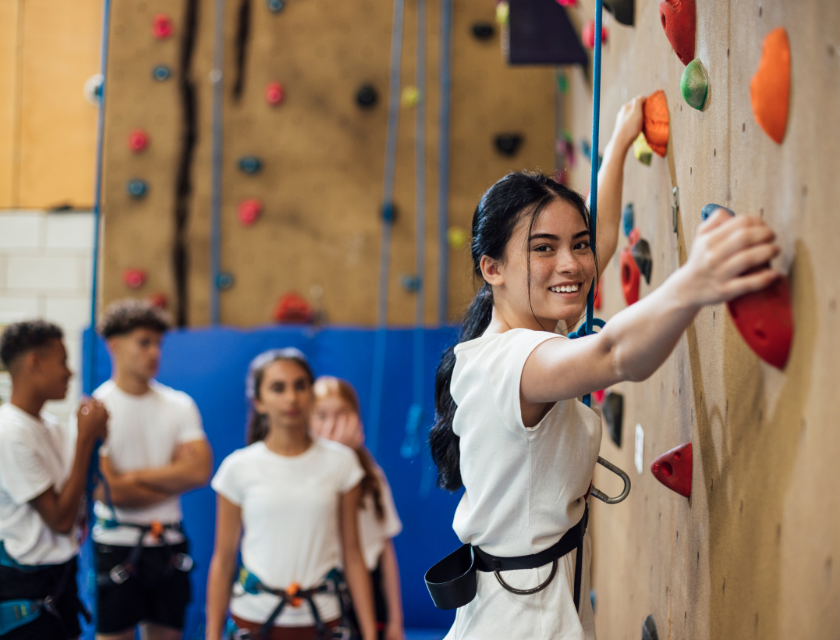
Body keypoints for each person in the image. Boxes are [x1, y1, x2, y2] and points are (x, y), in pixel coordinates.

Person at [427, 110, 781, 637]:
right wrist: (696, 280)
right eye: (542, 248)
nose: (570, 263)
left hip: (534, 600)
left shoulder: (510, 341)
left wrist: (617, 143)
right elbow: (616, 356)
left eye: (578, 243)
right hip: (520, 620)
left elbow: (602, 239)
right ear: (492, 268)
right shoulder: (512, 361)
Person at [206, 349, 378, 640]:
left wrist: (371, 633)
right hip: (254, 620)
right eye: (278, 388)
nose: (291, 398)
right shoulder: (237, 468)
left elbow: (353, 554)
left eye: (300, 386)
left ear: (311, 394)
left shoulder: (341, 463)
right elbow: (223, 559)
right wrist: (212, 634)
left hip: (323, 619)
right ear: (259, 401)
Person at [92, 300, 212, 640]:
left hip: (168, 543)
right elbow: (108, 492)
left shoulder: (179, 405)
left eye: (158, 343)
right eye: (144, 342)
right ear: (114, 345)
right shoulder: (99, 410)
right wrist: (173, 473)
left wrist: (132, 477)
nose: (154, 352)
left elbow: (199, 471)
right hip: (117, 544)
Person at [0, 320, 108, 640]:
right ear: (35, 363)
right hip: (25, 586)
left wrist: (95, 441)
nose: (69, 373)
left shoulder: (51, 427)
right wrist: (85, 442)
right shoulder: (9, 433)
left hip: (60, 579)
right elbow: (60, 519)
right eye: (62, 362)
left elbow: (80, 500)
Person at [311, 377, 404, 640]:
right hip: (324, 591)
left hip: (370, 594)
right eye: (321, 415)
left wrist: (395, 620)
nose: (332, 425)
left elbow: (384, 548)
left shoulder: (372, 476)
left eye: (341, 414)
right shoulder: (307, 479)